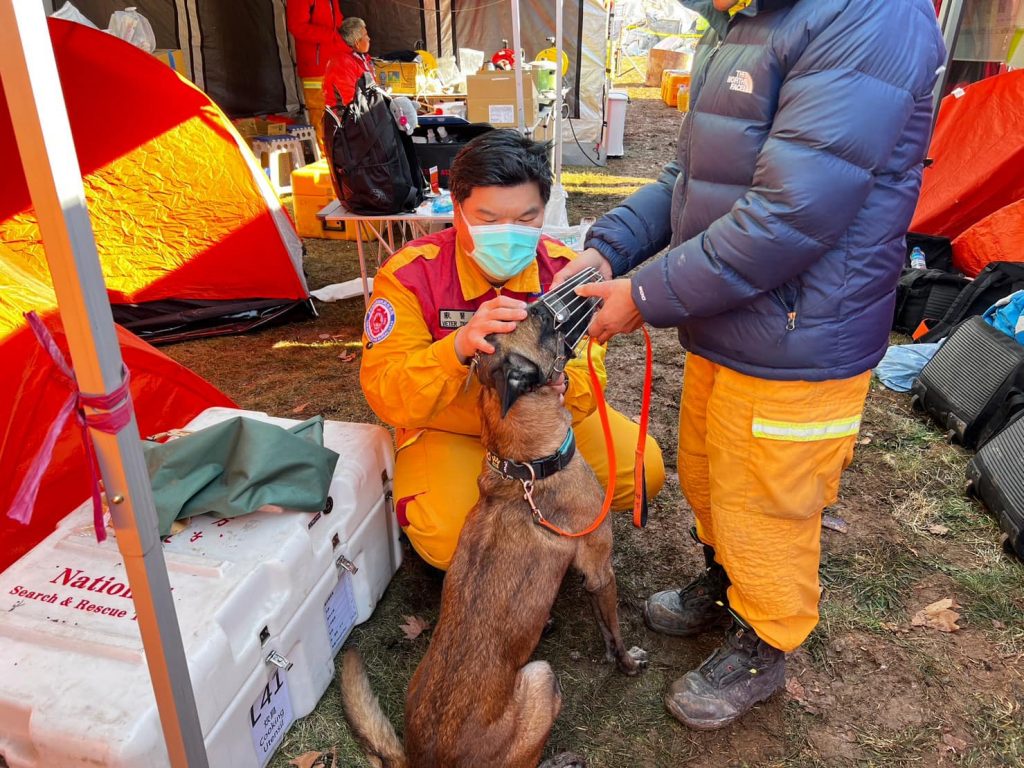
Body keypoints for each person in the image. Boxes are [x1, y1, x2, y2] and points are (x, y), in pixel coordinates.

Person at [555, 0, 946, 731]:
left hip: (801, 332)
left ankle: (766, 642)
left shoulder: (871, 16)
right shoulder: (746, 19)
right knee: (710, 474)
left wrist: (645, 295)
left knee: (767, 504)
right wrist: (612, 247)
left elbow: (792, 213)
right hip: (727, 316)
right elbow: (690, 178)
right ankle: (727, 584)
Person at [359, 129, 665, 572]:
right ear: (456, 209)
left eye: (526, 218)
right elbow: (388, 392)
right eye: (487, 218)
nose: (507, 234)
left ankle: (544, 518)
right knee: (449, 539)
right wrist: (457, 349)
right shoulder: (409, 275)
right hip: (454, 431)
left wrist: (559, 385)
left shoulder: (566, 271)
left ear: (545, 210)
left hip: (545, 428)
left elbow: (588, 377)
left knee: (642, 473)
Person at [286, 0, 345, 151]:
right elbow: (297, 27)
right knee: (319, 112)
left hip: (334, 64)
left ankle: (335, 154)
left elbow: (338, 23)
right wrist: (332, 35)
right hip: (314, 66)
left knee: (336, 110)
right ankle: (325, 155)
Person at [322, 17, 376, 107]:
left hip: (363, 108)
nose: (369, 38)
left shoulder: (362, 56)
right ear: (357, 42)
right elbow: (351, 102)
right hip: (345, 113)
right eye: (366, 35)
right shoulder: (342, 62)